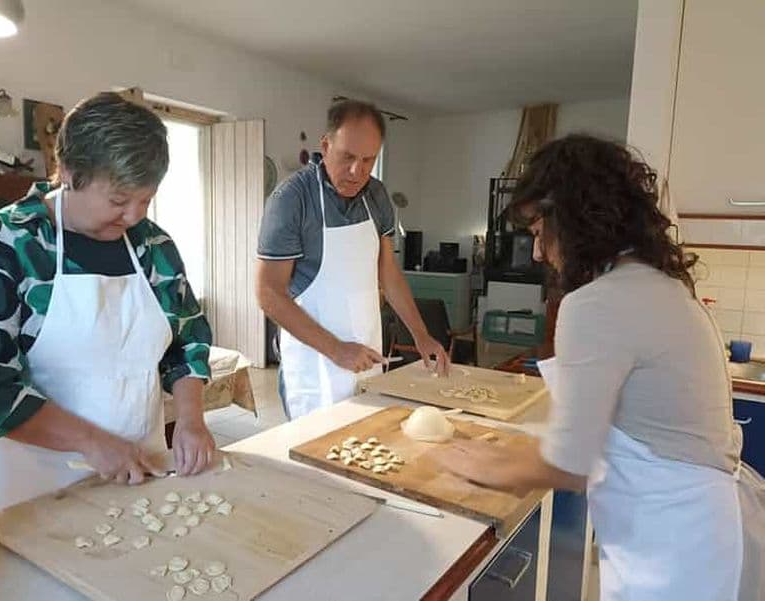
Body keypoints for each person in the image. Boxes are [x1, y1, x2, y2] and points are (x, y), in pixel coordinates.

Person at [432, 134, 765, 600]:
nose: (537, 252)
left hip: (673, 552)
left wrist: (489, 465)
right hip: (699, 536)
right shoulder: (658, 286)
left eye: (537, 231)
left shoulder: (598, 303)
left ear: (569, 216)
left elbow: (570, 463)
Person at [0, 92, 215, 542]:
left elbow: (187, 340)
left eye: (147, 199)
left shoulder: (153, 247)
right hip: (32, 490)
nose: (135, 215)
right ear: (71, 174)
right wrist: (92, 442)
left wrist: (193, 418)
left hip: (143, 471)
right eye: (120, 199)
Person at [256, 99, 449, 420]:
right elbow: (268, 293)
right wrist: (336, 349)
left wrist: (420, 334)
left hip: (366, 353)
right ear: (325, 145)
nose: (357, 171)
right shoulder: (292, 200)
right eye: (347, 157)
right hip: (314, 364)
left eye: (369, 160)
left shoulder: (377, 196)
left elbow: (388, 273)